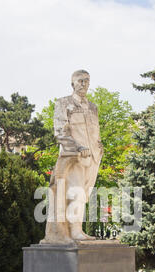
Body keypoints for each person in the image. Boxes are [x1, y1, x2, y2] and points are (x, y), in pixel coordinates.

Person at [41, 70, 103, 244]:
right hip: (73, 157)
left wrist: (99, 146)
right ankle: (73, 231)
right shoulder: (63, 103)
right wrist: (76, 148)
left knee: (83, 194)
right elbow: (60, 131)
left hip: (93, 158)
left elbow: (94, 132)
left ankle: (77, 229)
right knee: (75, 193)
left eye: (87, 81)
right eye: (80, 81)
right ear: (72, 84)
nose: (84, 84)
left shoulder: (93, 107)